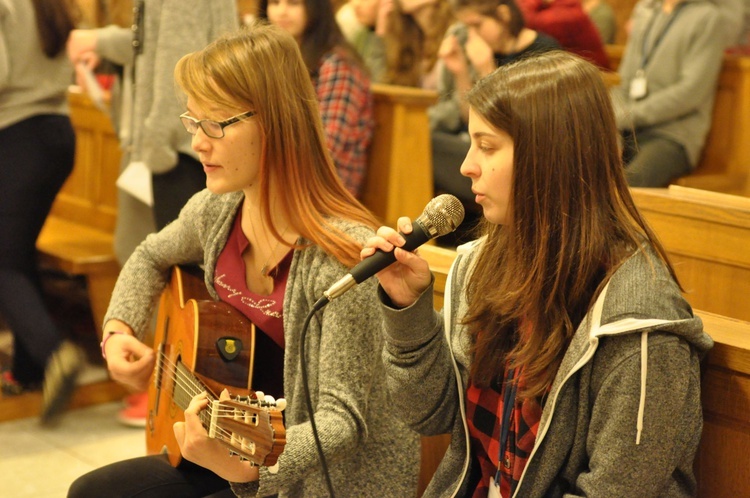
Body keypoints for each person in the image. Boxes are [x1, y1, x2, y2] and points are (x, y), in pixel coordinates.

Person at [67, 21, 420, 498]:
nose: (197, 142)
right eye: (192, 122)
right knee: (93, 491)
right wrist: (118, 329)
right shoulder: (218, 210)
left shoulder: (342, 256)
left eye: (214, 124)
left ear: (273, 123)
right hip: (232, 444)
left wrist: (247, 466)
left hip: (311, 476)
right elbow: (150, 255)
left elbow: (342, 422)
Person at [363, 50, 712, 497]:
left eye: (487, 147)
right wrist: (407, 308)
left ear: (550, 158)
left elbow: (615, 489)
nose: (467, 165)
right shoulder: (480, 264)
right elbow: (428, 414)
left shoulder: (640, 320)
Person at [66, 0, 238, 427]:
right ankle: (182, 396)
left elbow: (177, 65)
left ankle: (193, 398)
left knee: (191, 288)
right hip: (178, 142)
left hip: (177, 148)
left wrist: (158, 145)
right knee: (162, 260)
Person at [0, 0, 88, 423]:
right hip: (56, 132)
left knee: (2, 262)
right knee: (14, 254)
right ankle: (29, 369)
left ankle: (55, 353)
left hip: (16, 136)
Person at [430, 0, 559, 244]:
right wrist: (460, 72)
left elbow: (513, 126)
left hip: (528, 159)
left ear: (503, 15)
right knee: (426, 141)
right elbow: (475, 121)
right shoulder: (484, 50)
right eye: (467, 28)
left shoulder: (543, 50)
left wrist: (486, 69)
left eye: (478, 25)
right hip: (482, 146)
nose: (473, 35)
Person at [257, 0, 373, 198]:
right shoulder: (274, 61)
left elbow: (326, 148)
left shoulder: (338, 64)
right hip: (280, 180)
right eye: (275, 2)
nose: (281, 12)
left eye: (293, 3)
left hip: (325, 193)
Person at [611, 0, 725, 187]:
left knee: (630, 184)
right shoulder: (647, 10)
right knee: (581, 164)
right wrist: (612, 123)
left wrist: (627, 116)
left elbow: (690, 93)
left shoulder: (707, 17)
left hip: (671, 135)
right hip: (627, 126)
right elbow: (622, 81)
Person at [516, 0, 610, 68]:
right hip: (568, 70)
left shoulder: (569, 12)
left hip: (590, 78)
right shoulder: (550, 6)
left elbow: (522, 18)